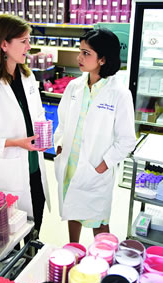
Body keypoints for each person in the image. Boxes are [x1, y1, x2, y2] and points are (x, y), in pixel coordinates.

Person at [0, 14, 51, 237]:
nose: (29, 46)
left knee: (37, 220)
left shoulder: (28, 77)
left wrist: (45, 133)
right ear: (4, 44)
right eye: (23, 41)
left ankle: (32, 257)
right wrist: (15, 143)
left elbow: (38, 114)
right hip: (9, 169)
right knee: (14, 229)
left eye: (28, 40)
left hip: (34, 165)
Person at [54, 28, 136, 243]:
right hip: (71, 162)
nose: (79, 58)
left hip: (95, 166)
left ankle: (102, 257)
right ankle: (74, 250)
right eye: (80, 51)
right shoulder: (74, 86)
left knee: (98, 220)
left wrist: (102, 165)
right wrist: (60, 144)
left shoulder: (119, 93)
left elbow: (127, 140)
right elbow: (61, 123)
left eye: (86, 53)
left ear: (102, 59)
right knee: (72, 210)